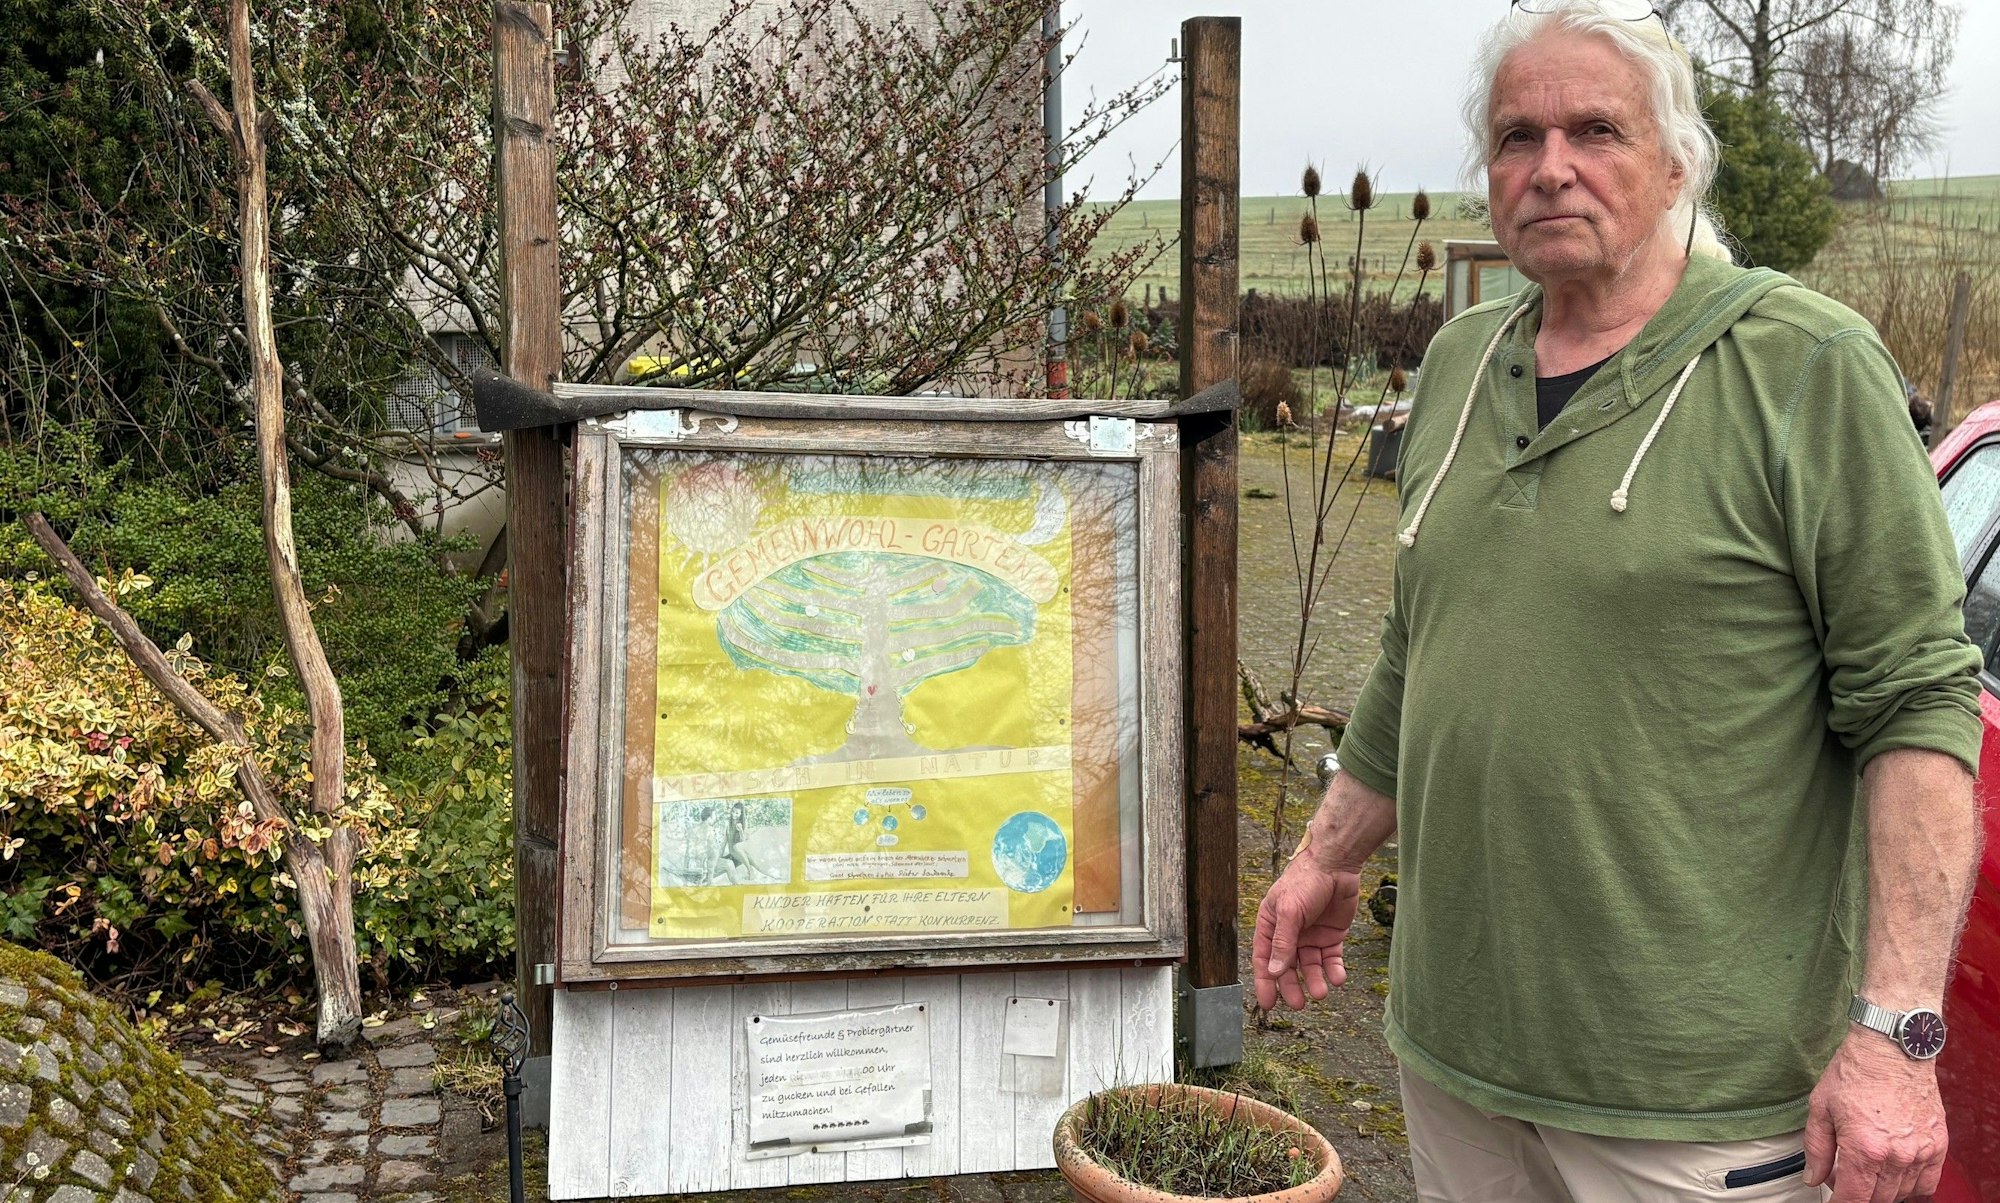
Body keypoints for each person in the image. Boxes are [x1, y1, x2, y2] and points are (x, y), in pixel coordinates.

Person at [1251, 3, 1986, 1201]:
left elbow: (1916, 705)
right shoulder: (1458, 365)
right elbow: (1415, 646)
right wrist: (1325, 857)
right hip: (1454, 1058)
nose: (1549, 167)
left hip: (1694, 1103)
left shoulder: (1803, 368)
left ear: (1676, 160)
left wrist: (1895, 1039)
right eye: (1515, 136)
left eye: (1594, 130)